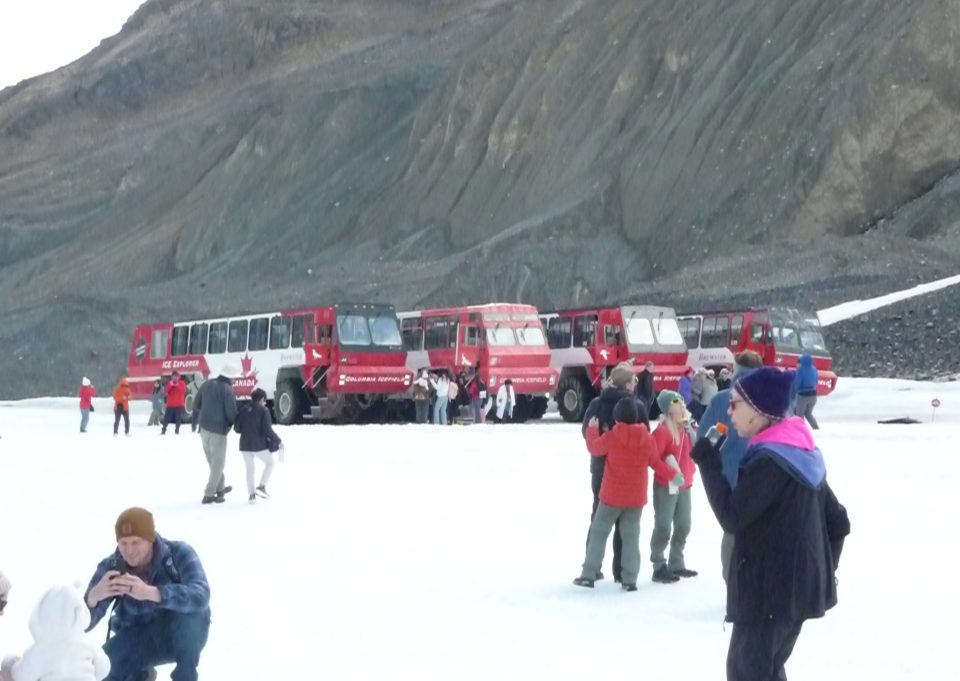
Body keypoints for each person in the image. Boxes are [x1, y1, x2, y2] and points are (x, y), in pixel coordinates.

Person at [691, 367, 850, 681]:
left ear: (760, 410)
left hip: (769, 597)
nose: (730, 410)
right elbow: (839, 521)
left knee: (746, 672)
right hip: (789, 598)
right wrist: (817, 574)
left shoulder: (771, 461)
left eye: (737, 403)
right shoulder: (800, 452)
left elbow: (733, 517)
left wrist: (709, 464)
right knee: (766, 670)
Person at [84, 507, 211, 681]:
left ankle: (185, 676)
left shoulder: (179, 552)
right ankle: (139, 674)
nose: (129, 550)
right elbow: (82, 625)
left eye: (136, 542)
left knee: (194, 615)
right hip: (136, 635)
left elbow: (201, 595)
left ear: (150, 539)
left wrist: (153, 593)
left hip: (179, 633)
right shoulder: (111, 567)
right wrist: (93, 598)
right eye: (123, 543)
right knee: (98, 671)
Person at [574, 398, 673, 591]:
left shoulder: (612, 436)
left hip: (611, 495)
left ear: (617, 418)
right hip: (635, 498)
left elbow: (594, 448)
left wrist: (592, 430)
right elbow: (656, 464)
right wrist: (673, 476)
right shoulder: (647, 438)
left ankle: (589, 573)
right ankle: (629, 579)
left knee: (599, 532)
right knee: (631, 536)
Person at [696, 350, 764, 581]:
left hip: (730, 479)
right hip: (767, 478)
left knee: (733, 531)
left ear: (735, 369)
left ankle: (733, 585)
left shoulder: (721, 401)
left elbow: (703, 442)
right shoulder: (770, 400)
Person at [579, 361, 647, 583]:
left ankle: (592, 567)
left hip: (600, 467)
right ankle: (622, 571)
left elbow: (585, 431)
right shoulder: (637, 407)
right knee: (627, 524)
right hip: (632, 471)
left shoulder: (597, 403)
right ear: (626, 383)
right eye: (634, 380)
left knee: (598, 519)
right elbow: (645, 436)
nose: (636, 384)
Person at [3, 584, 111, 681]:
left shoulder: (40, 650)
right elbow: (104, 668)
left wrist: (9, 664)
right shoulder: (88, 644)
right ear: (80, 613)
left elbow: (22, 676)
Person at [649, 389, 697, 583]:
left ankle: (677, 561)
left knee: (684, 524)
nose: (682, 405)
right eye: (677, 402)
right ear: (669, 408)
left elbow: (695, 449)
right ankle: (659, 564)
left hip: (685, 484)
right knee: (663, 525)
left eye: (682, 401)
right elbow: (652, 459)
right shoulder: (661, 431)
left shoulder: (685, 428)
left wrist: (691, 430)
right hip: (666, 485)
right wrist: (671, 474)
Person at [191, 366, 238, 505]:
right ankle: (209, 494)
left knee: (213, 461)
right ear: (229, 377)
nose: (235, 380)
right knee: (218, 463)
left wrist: (202, 416)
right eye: (234, 378)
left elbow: (195, 404)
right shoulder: (227, 390)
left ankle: (220, 488)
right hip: (218, 430)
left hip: (204, 428)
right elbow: (231, 413)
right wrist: (233, 424)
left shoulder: (207, 384)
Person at [233, 387, 282, 504]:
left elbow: (237, 428)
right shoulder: (263, 411)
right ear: (261, 399)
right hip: (259, 445)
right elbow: (267, 430)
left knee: (249, 469)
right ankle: (261, 486)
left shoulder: (243, 409)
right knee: (270, 463)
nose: (265, 403)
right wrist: (278, 440)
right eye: (264, 400)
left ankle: (251, 495)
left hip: (244, 445)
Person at [793, 354, 820, 429]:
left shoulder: (801, 370)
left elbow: (797, 383)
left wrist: (795, 389)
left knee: (799, 415)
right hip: (813, 395)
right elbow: (816, 381)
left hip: (803, 395)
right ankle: (816, 428)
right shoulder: (814, 369)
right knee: (808, 414)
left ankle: (800, 430)